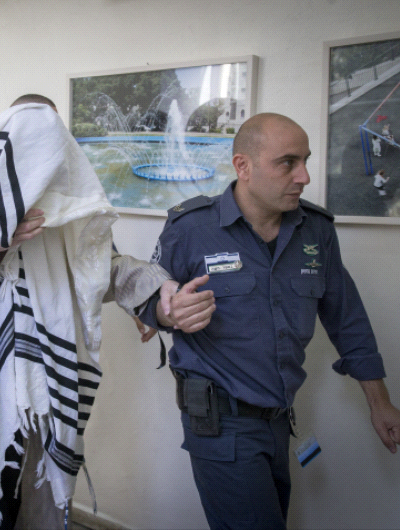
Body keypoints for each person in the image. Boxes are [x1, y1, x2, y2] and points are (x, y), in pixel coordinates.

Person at [0, 95, 214, 529]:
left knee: (14, 502)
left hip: (33, 394)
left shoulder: (65, 192)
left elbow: (100, 266)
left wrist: (157, 290)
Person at [140, 112, 400, 530]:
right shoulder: (190, 228)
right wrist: (165, 311)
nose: (304, 177)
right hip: (221, 424)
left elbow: (347, 318)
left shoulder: (315, 230)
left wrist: (380, 402)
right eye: (288, 163)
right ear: (243, 166)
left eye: (306, 161)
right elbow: (146, 302)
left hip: (280, 419)